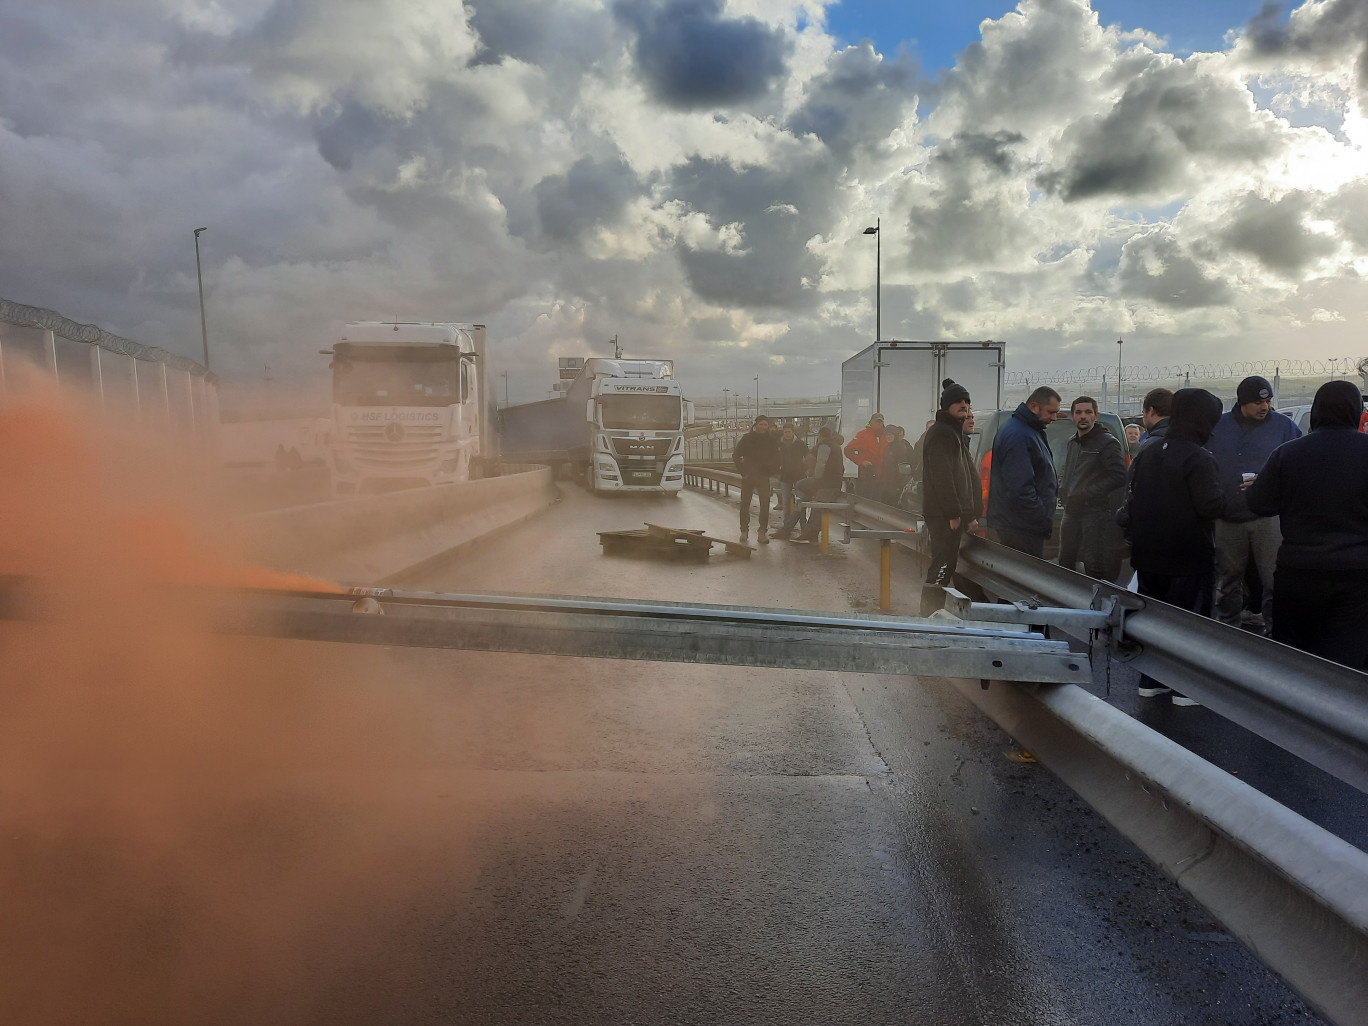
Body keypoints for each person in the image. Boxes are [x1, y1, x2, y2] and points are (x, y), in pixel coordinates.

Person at [1246, 381, 1368, 669]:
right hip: (1357, 574)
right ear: (1356, 410)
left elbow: (1258, 504)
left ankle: (1293, 710)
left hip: (1299, 571)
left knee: (1295, 656)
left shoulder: (1288, 453)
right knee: (1346, 656)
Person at [1119, 388, 1226, 706]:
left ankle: (1151, 680)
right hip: (1188, 559)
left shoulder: (1149, 451)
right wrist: (1236, 496)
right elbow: (1210, 506)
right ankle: (1185, 689)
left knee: (1155, 622)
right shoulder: (1198, 457)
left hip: (1149, 557)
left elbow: (1133, 499)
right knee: (1189, 624)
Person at [1206, 375, 1301, 634]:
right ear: (1242, 402)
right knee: (1228, 580)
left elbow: (1298, 468)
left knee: (1273, 579)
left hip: (1268, 519)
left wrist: (1268, 482)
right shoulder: (1218, 426)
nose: (1264, 407)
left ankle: (1276, 632)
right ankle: (1228, 631)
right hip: (1228, 517)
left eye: (1268, 401)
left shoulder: (1285, 428)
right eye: (1258, 402)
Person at [920, 380, 980, 614]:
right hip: (944, 515)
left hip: (950, 514)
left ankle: (931, 613)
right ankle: (927, 615)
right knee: (942, 567)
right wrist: (954, 513)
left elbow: (961, 478)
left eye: (966, 402)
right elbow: (943, 478)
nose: (964, 405)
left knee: (946, 565)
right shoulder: (942, 434)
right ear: (946, 406)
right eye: (958, 402)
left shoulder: (952, 433)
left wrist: (967, 513)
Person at [986, 386, 1061, 557]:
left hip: (1021, 525)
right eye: (1051, 412)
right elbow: (1020, 489)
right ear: (1034, 406)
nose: (1054, 418)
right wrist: (1040, 518)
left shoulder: (1028, 430)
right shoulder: (1019, 435)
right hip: (1020, 528)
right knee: (1021, 579)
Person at [1058, 396, 1127, 579]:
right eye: (1079, 412)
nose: (1083, 416)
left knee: (1094, 565)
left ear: (1096, 415)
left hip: (1094, 514)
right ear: (1073, 416)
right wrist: (1064, 490)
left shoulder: (1107, 443)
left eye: (1088, 412)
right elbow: (1070, 472)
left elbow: (1119, 476)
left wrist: (1086, 494)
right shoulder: (1073, 442)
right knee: (1065, 562)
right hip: (1071, 511)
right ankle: (1066, 604)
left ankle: (1094, 605)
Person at [732, 415, 781, 544]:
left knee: (765, 504)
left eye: (765, 425)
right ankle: (744, 531)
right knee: (745, 503)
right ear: (756, 425)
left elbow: (777, 458)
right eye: (761, 424)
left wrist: (770, 471)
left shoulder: (771, 441)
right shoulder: (747, 438)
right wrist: (743, 472)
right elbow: (736, 455)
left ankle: (762, 532)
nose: (763, 427)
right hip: (748, 476)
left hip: (763, 476)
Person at [771, 424, 809, 537]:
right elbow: (775, 458)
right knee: (786, 502)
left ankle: (804, 528)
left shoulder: (800, 444)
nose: (787, 434)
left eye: (789, 432)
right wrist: (778, 469)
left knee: (800, 502)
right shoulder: (779, 444)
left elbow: (808, 458)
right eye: (785, 432)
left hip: (799, 476)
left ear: (793, 432)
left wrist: (803, 468)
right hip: (785, 476)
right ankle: (786, 528)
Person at [844, 413, 889, 498]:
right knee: (867, 504)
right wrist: (861, 461)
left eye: (881, 421)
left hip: (883, 478)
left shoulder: (887, 436)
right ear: (871, 422)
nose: (879, 423)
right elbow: (847, 450)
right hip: (867, 477)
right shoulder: (862, 435)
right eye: (877, 421)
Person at [883, 425, 915, 504]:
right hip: (888, 482)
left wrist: (898, 484)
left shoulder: (899, 448)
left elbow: (903, 468)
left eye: (891, 434)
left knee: (894, 505)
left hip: (896, 484)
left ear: (895, 435)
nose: (888, 436)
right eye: (886, 434)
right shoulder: (889, 447)